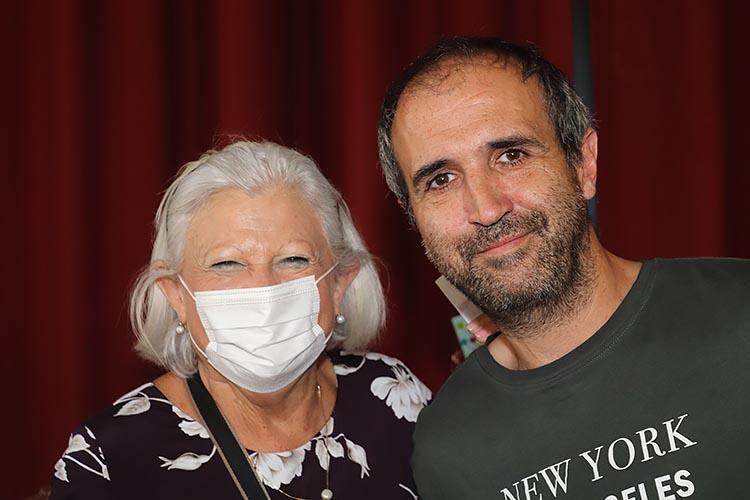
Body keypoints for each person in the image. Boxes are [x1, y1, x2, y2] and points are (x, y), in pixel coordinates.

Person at [377, 36, 750, 499]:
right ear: (413, 216)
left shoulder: (739, 318)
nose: (486, 208)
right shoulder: (447, 452)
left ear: (583, 164)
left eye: (511, 156)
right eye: (441, 180)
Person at [50, 140, 431, 499]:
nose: (263, 289)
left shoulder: (395, 397)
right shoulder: (108, 459)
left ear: (339, 284)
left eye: (294, 259)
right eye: (226, 264)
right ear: (176, 295)